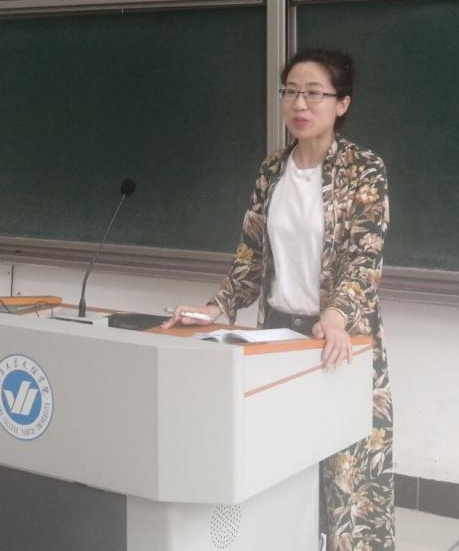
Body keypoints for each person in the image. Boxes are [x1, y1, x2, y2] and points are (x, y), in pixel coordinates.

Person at [163, 48, 394, 550]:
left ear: (342, 103)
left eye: (314, 93)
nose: (299, 104)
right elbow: (251, 255)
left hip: (339, 342)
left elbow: (364, 255)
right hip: (278, 338)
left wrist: (336, 316)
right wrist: (217, 307)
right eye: (290, 92)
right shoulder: (272, 170)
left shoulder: (364, 169)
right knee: (282, 471)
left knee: (349, 482)